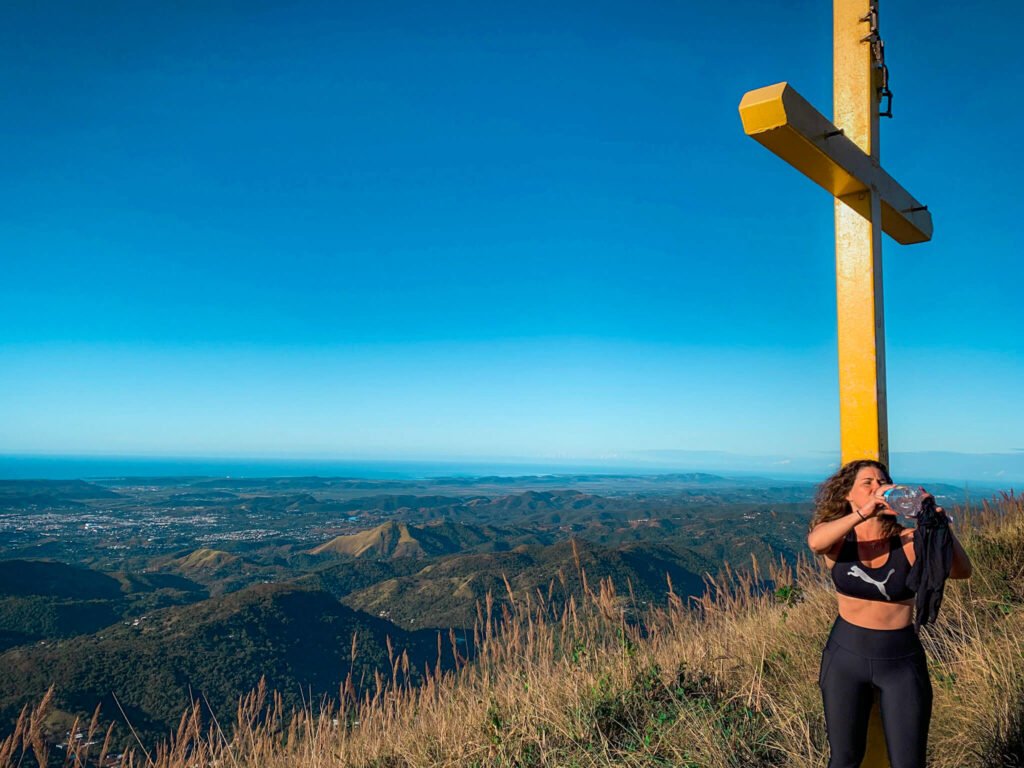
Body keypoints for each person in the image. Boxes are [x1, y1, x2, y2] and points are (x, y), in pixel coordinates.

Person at [806, 459, 973, 768]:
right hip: (844, 658)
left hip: (900, 662)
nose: (878, 486)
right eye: (867, 483)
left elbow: (962, 571)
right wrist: (863, 513)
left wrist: (938, 527)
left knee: (908, 763)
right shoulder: (840, 540)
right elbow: (816, 543)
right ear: (848, 495)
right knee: (844, 759)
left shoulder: (910, 540)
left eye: (882, 481)